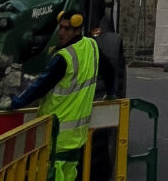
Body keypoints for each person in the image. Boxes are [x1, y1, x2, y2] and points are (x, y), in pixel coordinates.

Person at [11, 10, 111, 181]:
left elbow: (41, 86)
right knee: (69, 175)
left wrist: (17, 102)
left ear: (77, 30)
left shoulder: (64, 57)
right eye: (61, 27)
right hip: (76, 138)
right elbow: (109, 71)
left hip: (56, 138)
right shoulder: (91, 46)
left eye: (67, 29)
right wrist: (112, 92)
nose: (61, 33)